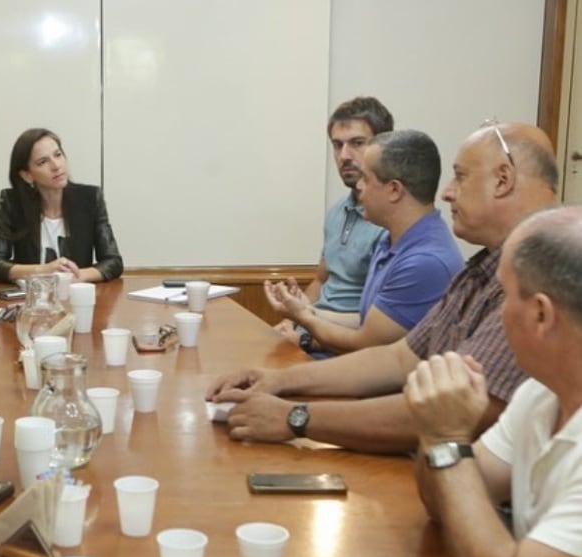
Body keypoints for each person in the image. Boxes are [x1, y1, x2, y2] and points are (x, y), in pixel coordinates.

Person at [206, 122, 558, 454]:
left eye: (460, 177)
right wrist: (277, 380)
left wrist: (294, 417)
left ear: (503, 180)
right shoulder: (482, 267)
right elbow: (399, 358)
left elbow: (453, 416)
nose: (448, 192)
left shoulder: (539, 281)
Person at [404, 207, 582, 557]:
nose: (498, 313)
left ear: (541, 315)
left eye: (504, 296)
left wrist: (447, 439)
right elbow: (443, 503)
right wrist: (434, 429)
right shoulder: (538, 397)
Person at [264, 130, 463, 354]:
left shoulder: (426, 262)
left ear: (394, 190)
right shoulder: (393, 240)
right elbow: (370, 322)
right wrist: (307, 310)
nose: (358, 187)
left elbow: (366, 346)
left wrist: (304, 321)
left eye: (366, 179)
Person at [270, 96, 393, 354]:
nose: (344, 156)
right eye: (337, 145)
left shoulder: (390, 220)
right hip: (310, 334)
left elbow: (380, 332)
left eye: (357, 143)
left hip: (342, 350)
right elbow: (320, 280)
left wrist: (305, 335)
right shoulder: (337, 212)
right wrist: (292, 314)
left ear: (384, 147)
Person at [0, 127, 123, 283]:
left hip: (76, 298)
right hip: (31, 301)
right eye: (42, 162)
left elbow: (113, 262)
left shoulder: (89, 199)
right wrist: (43, 270)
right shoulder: (14, 203)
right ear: (27, 175)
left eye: (58, 154)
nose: (56, 166)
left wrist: (76, 276)